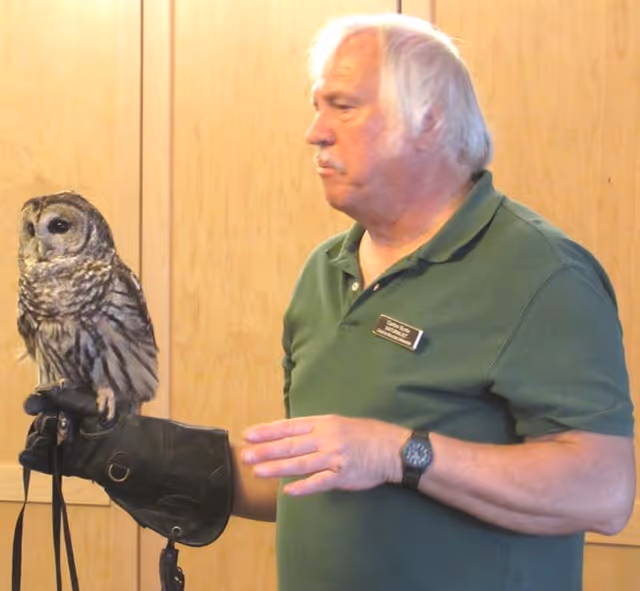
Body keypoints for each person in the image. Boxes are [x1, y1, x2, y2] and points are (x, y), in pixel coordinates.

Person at [20, 13, 635, 591]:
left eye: (343, 106)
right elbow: (318, 473)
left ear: (430, 121)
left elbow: (603, 493)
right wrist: (130, 451)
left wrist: (401, 451)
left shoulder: (542, 273)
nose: (314, 131)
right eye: (317, 107)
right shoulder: (324, 272)